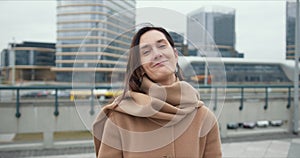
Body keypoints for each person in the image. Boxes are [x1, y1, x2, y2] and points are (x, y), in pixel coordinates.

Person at [93, 26, 222, 158]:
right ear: (140, 67)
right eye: (147, 52)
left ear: (176, 55)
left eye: (162, 46)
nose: (157, 54)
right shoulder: (119, 118)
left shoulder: (204, 118)